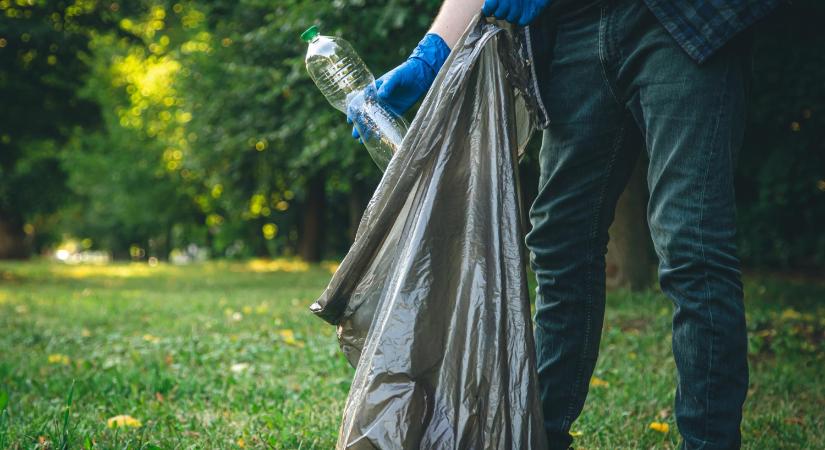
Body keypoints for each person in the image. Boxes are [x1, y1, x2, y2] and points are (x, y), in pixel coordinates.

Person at [348, 0, 781, 448]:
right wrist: (430, 54)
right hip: (575, 24)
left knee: (692, 243)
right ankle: (540, 438)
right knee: (559, 243)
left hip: (682, 17)